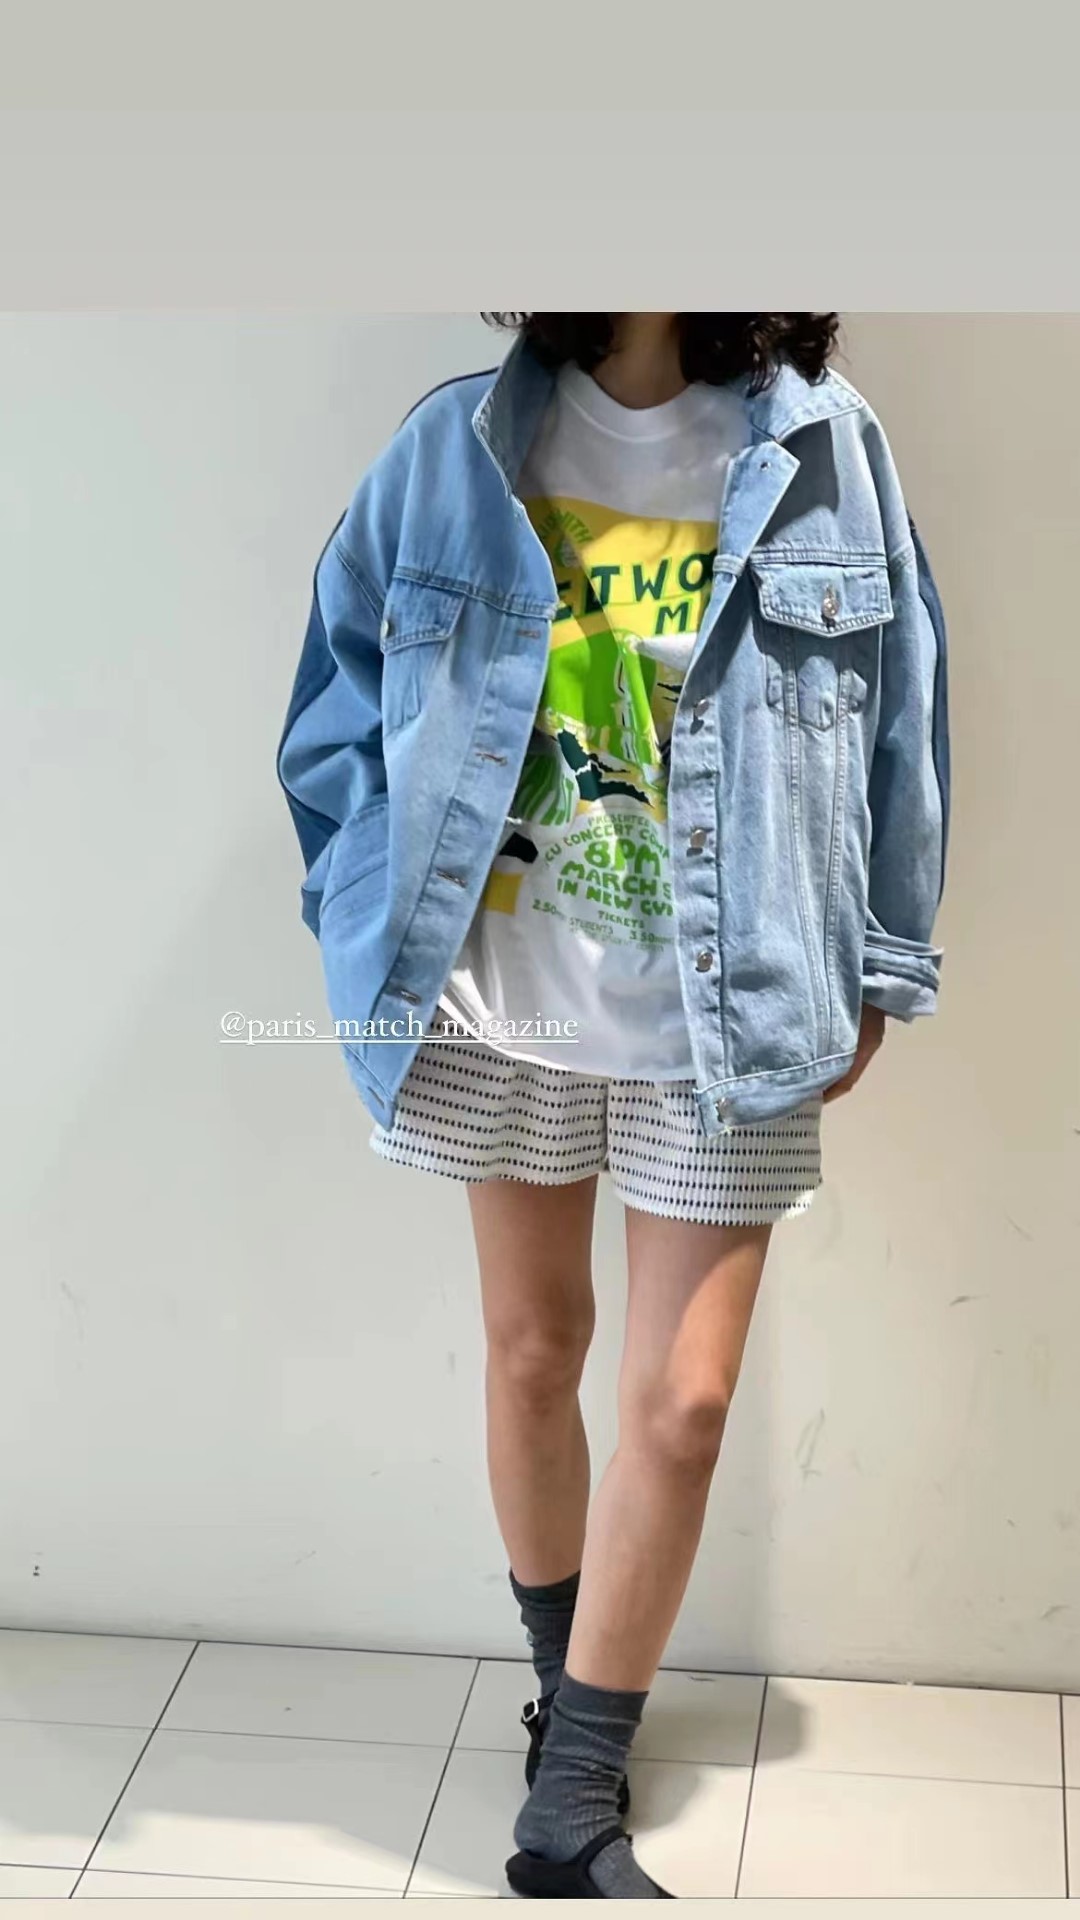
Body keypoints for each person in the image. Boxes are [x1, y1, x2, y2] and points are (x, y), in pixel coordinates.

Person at [278, 313, 950, 1898]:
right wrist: (362, 903)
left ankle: (573, 1793)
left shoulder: (825, 446)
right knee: (534, 1352)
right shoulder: (453, 447)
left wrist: (883, 957)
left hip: (737, 1004)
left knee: (684, 1406)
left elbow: (905, 713)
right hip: (501, 995)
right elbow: (333, 709)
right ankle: (558, 1696)